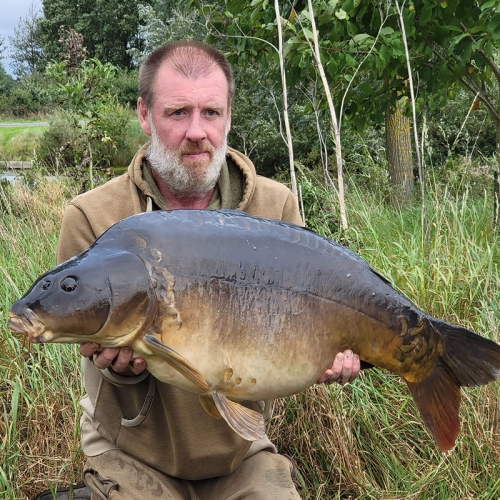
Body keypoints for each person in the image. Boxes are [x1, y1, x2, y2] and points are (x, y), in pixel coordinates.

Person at [54, 40, 360, 499]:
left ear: (228, 117)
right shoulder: (92, 217)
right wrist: (123, 365)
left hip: (242, 451)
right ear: (144, 114)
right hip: (131, 452)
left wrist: (335, 350)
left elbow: (310, 318)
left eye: (211, 113)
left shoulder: (274, 207)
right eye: (178, 112)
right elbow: (92, 339)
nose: (196, 131)